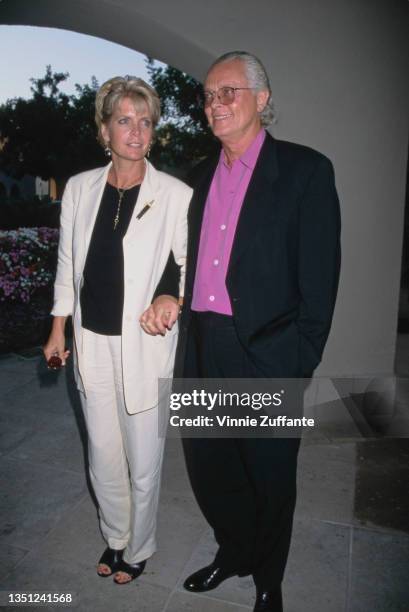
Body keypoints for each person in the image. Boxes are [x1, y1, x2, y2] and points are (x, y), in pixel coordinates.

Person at [142, 51, 341, 611]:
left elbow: (321, 280)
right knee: (213, 467)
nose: (215, 104)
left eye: (228, 91)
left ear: (262, 99)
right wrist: (165, 289)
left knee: (270, 476)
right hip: (204, 345)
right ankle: (234, 553)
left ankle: (269, 580)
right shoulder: (197, 178)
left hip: (269, 352)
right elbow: (176, 257)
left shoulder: (306, 171)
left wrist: (298, 361)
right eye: (208, 95)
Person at [43, 76, 192, 585]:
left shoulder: (176, 194)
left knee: (144, 456)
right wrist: (58, 328)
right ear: (104, 130)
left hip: (144, 345)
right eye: (124, 120)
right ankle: (115, 535)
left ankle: (141, 544)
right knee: (103, 452)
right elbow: (68, 263)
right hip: (91, 341)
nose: (135, 131)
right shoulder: (81, 188)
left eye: (145, 121)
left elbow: (189, 262)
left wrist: (172, 296)